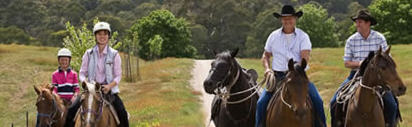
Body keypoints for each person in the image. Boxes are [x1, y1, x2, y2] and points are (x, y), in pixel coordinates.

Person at [255, 5, 326, 127]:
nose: (287, 21)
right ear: (281, 20)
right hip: (278, 77)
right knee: (261, 103)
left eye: (290, 18)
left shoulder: (303, 36)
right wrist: (267, 69)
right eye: (284, 18)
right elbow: (266, 55)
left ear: (295, 19)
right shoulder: (273, 36)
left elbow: (305, 58)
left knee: (317, 100)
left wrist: (294, 70)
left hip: (298, 77)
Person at [329, 9, 399, 127]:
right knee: (334, 101)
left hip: (377, 78)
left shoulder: (379, 38)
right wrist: (361, 64)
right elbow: (347, 63)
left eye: (360, 22)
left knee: (392, 104)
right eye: (356, 22)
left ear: (368, 23)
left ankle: (389, 124)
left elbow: (388, 60)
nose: (357, 24)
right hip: (355, 75)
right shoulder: (351, 40)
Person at [64, 22, 129, 127]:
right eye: (99, 34)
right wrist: (85, 83)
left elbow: (118, 76)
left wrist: (109, 86)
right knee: (71, 110)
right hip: (91, 90)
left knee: (122, 113)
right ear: (95, 36)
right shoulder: (88, 53)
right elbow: (82, 73)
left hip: (109, 92)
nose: (102, 37)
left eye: (105, 34)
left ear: (108, 36)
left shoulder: (114, 54)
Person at [36, 48, 79, 127]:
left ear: (69, 61)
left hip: (71, 100)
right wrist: (58, 98)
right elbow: (55, 89)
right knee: (44, 106)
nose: (64, 62)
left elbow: (76, 88)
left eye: (66, 60)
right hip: (60, 99)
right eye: (62, 60)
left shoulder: (74, 74)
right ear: (59, 61)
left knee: (79, 108)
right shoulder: (55, 74)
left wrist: (75, 96)